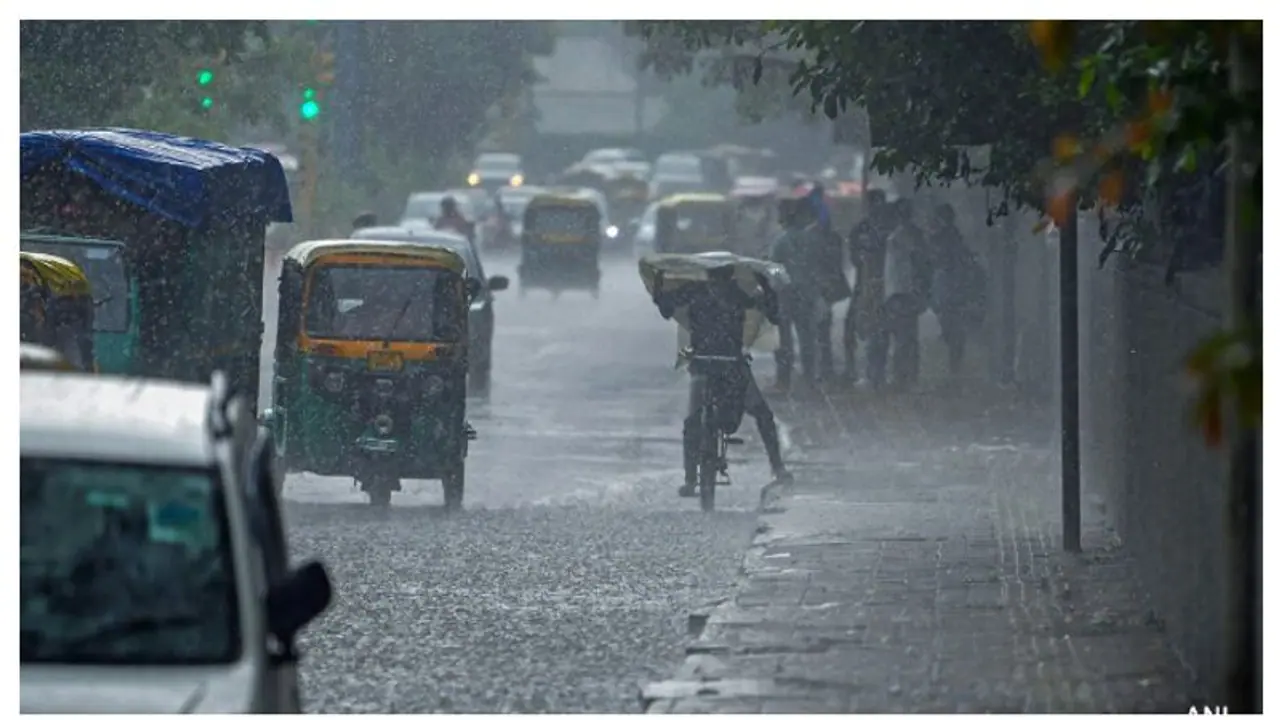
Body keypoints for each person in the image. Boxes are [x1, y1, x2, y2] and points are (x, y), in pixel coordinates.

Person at [651, 264, 793, 497]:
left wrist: (659, 283)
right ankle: (778, 468)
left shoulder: (694, 290)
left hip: (703, 366)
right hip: (733, 366)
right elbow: (773, 313)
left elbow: (666, 309)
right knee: (762, 415)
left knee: (693, 421)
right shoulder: (736, 293)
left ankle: (690, 479)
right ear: (730, 274)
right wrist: (766, 286)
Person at [867, 198, 931, 389]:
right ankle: (903, 377)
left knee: (896, 337)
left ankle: (900, 378)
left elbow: (915, 263)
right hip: (901, 292)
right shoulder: (907, 234)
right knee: (904, 337)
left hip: (899, 292)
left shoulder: (900, 236)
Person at [770, 197, 825, 389]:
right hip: (806, 293)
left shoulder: (780, 241)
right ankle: (809, 378)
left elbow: (775, 270)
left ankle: (783, 379)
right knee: (807, 337)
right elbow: (818, 268)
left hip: (786, 294)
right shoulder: (811, 239)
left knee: (784, 340)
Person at [928, 203, 985, 376]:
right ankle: (955, 367)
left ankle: (955, 368)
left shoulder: (944, 237)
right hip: (951, 286)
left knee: (952, 327)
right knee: (952, 327)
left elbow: (941, 260)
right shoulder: (951, 236)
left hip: (949, 286)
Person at [843, 189, 893, 383]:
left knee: (881, 328)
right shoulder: (861, 229)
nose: (876, 207)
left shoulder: (889, 228)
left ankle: (877, 370)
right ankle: (852, 369)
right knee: (852, 326)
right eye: (873, 203)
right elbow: (854, 257)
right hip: (863, 284)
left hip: (884, 285)